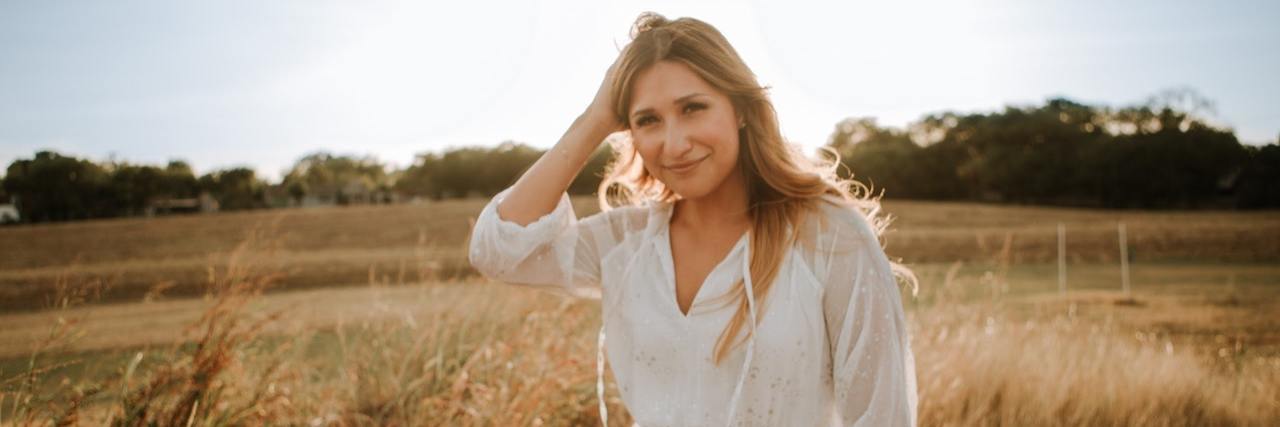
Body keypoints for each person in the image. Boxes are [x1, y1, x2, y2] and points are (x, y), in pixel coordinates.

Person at [469, 12, 918, 426]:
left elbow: (883, 414)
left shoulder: (828, 235)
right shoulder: (624, 243)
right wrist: (594, 119)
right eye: (648, 120)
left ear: (740, 109)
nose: (674, 143)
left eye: (693, 108)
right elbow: (497, 252)